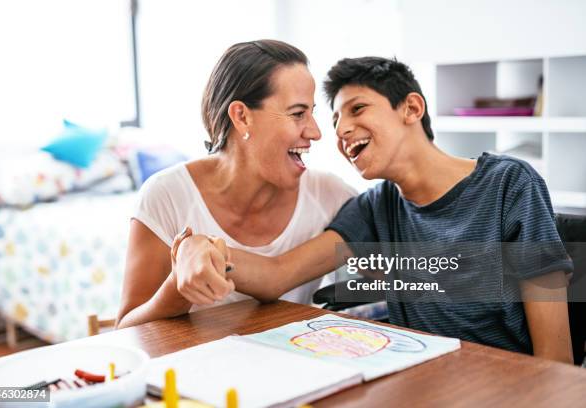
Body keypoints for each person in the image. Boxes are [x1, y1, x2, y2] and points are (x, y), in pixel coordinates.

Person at [175, 57, 574, 363]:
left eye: (357, 109)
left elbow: (555, 358)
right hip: (422, 382)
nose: (341, 130)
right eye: (335, 121)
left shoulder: (509, 185)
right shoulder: (376, 207)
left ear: (412, 108)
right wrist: (204, 249)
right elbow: (277, 275)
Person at [115, 40, 357, 329]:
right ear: (242, 116)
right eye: (297, 113)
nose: (316, 132)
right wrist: (179, 286)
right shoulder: (166, 196)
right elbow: (126, 331)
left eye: (312, 112)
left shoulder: (329, 195)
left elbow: (403, 278)